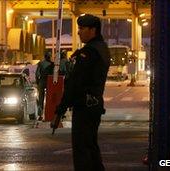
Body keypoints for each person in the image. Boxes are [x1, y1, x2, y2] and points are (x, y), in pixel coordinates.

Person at [53, 14, 110, 171]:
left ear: (93, 30)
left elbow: (75, 83)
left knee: (82, 151)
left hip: (84, 106)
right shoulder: (102, 48)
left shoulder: (88, 52)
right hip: (94, 104)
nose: (78, 32)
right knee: (91, 147)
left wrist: (61, 107)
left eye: (82, 29)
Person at [35, 52, 54, 121]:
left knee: (41, 99)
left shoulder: (40, 63)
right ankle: (49, 114)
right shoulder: (52, 64)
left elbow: (37, 74)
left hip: (42, 81)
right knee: (49, 99)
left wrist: (38, 82)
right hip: (50, 81)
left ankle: (40, 115)